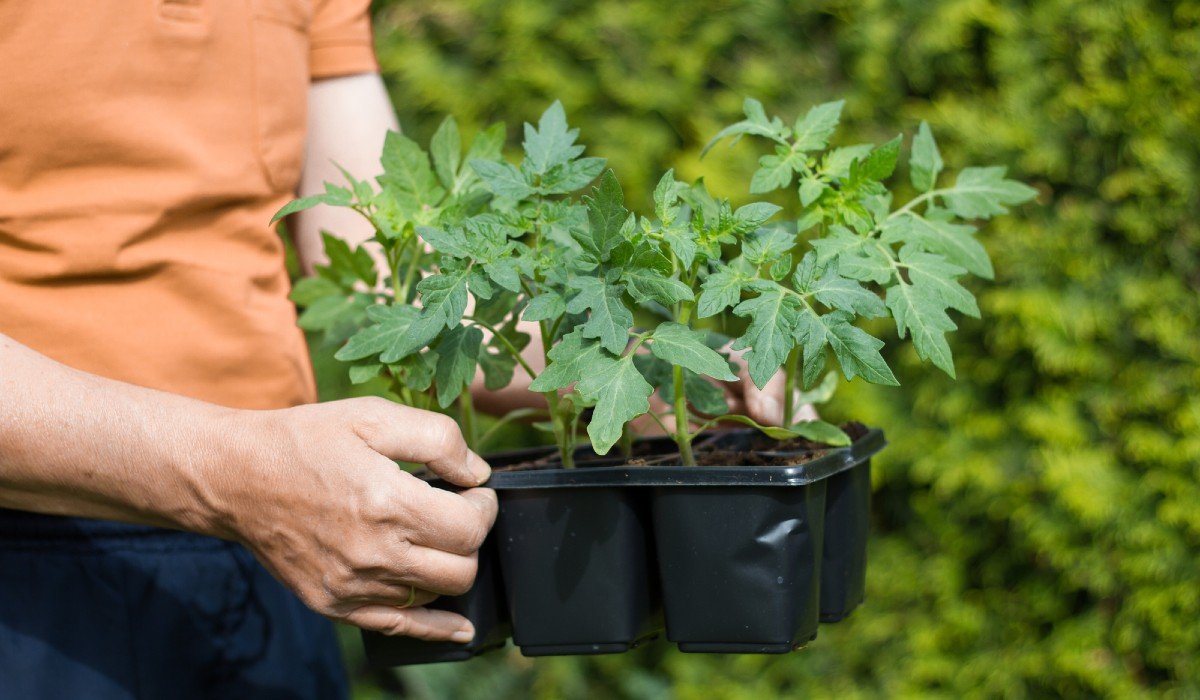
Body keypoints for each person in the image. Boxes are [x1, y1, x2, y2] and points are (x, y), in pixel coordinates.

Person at [0, 1, 794, 697]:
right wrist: (229, 471)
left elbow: (392, 283)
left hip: (279, 547)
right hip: (40, 557)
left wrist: (652, 377)